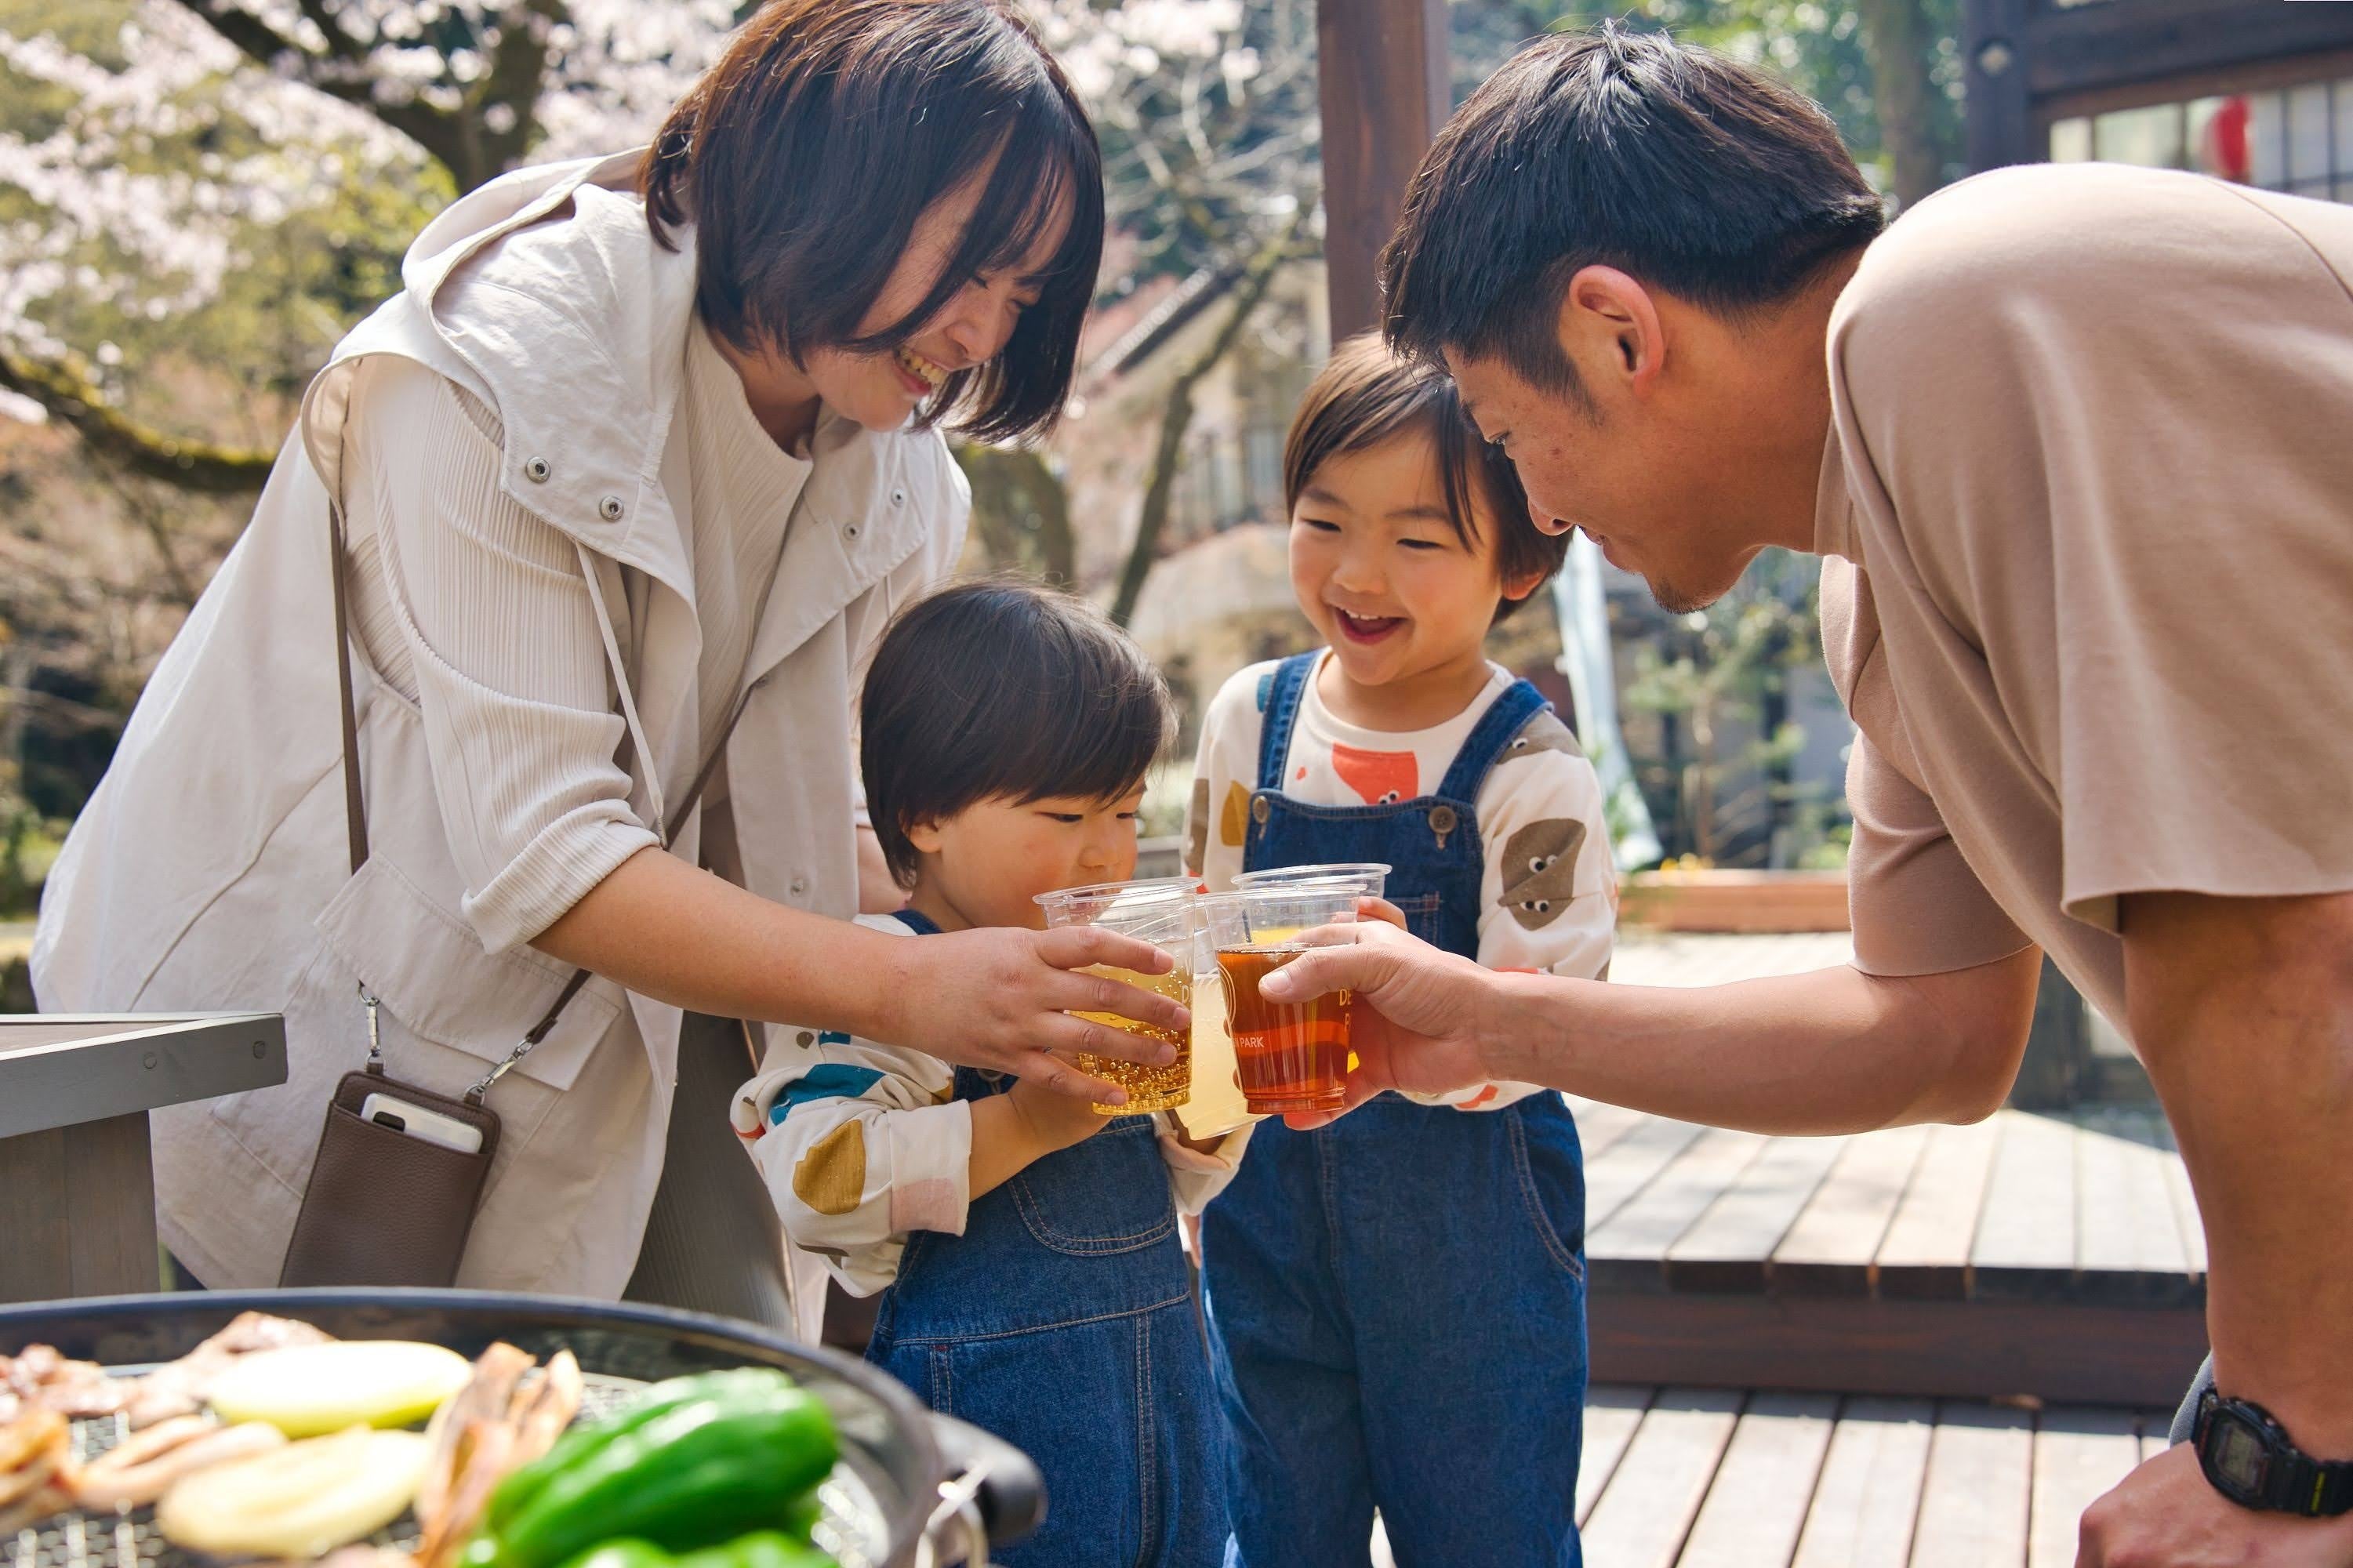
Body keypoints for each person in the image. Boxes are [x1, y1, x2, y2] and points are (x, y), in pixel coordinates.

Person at [1260, 24, 2353, 1563]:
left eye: (1514, 437)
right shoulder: (1873, 579)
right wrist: (1484, 1016)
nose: (1546, 510)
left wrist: (2284, 1450)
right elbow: (1929, 1032)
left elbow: (2272, 948)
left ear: (1617, 332)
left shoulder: (1952, 305)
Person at [30, 0, 1189, 1319]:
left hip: (620, 1052)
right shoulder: (484, 373)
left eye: (1022, 294)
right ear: (833, 174)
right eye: (972, 266)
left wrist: (1057, 893)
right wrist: (923, 982)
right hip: (274, 1043)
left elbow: (813, 822)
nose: (983, 333)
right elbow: (553, 854)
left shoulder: (903, 478)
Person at [1184, 336, 1608, 1566]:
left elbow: (1547, 1019)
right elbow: (1211, 938)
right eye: (1325, 521)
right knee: (1275, 1522)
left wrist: (1430, 1043)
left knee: (1484, 1530)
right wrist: (1199, 1151)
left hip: (1466, 1228)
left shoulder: (1527, 770)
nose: (1360, 573)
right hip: (1267, 1211)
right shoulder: (1246, 721)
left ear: (1519, 557)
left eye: (1419, 541)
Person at [735, 581, 1243, 1567]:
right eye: (1062, 813)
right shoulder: (879, 979)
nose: (1104, 849)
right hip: (993, 1458)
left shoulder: (1104, 971)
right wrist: (1025, 1122)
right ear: (925, 814)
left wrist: (1222, 1081)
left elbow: (1178, 1180)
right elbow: (817, 1184)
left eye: (1127, 810)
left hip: (1174, 1421)